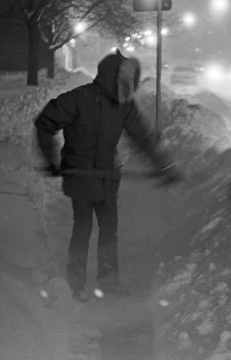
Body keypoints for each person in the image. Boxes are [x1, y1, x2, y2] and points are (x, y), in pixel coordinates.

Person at [34, 50, 182, 301]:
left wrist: (163, 165)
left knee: (109, 231)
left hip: (107, 178)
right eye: (123, 83)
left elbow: (142, 137)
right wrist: (52, 158)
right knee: (82, 229)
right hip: (80, 177)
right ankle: (75, 282)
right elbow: (45, 122)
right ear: (110, 78)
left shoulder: (124, 105)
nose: (126, 90)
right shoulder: (79, 99)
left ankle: (109, 281)